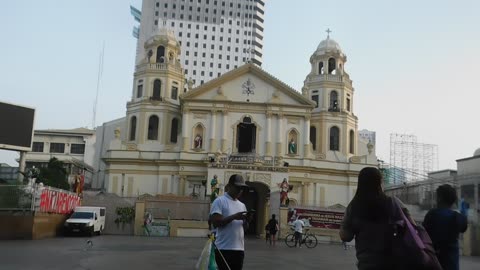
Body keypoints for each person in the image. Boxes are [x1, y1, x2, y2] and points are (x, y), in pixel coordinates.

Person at [340, 167, 412, 270]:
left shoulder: (354, 206)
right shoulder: (393, 203)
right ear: (380, 182)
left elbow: (345, 236)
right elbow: (412, 227)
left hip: (367, 264)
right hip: (393, 262)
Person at [423, 184, 468, 270]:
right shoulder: (457, 217)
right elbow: (464, 227)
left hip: (434, 263)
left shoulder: (431, 215)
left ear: (439, 198)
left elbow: (424, 233)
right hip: (451, 264)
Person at [209, 174, 249, 270]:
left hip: (239, 248)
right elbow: (216, 223)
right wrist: (235, 216)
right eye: (237, 187)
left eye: (242, 188)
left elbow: (244, 228)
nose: (240, 190)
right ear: (229, 186)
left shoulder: (242, 205)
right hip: (223, 248)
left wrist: (247, 220)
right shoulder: (220, 201)